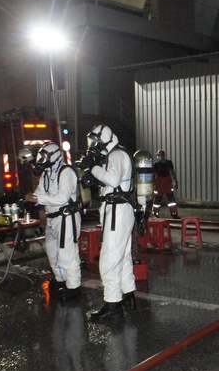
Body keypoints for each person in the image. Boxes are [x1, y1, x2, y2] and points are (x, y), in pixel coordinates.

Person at [85, 125, 137, 322]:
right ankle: (128, 293)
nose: (94, 145)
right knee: (122, 257)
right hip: (120, 210)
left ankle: (112, 306)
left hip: (117, 212)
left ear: (104, 139)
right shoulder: (117, 154)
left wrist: (92, 167)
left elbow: (113, 180)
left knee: (109, 259)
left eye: (96, 141)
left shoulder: (115, 155)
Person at [25, 142, 81, 301]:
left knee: (67, 254)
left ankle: (74, 286)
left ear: (55, 156)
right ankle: (60, 280)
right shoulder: (47, 174)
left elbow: (62, 198)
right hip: (52, 219)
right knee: (52, 253)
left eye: (45, 156)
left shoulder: (67, 172)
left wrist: (38, 198)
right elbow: (40, 192)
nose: (42, 160)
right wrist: (32, 200)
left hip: (66, 218)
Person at [152, 149, 179, 218]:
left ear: (163, 155)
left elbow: (172, 172)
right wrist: (153, 185)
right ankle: (155, 214)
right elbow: (154, 175)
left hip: (167, 182)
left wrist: (175, 181)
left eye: (160, 155)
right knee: (157, 200)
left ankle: (174, 213)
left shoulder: (169, 163)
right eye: (159, 156)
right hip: (159, 183)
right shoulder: (156, 164)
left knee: (171, 199)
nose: (159, 157)